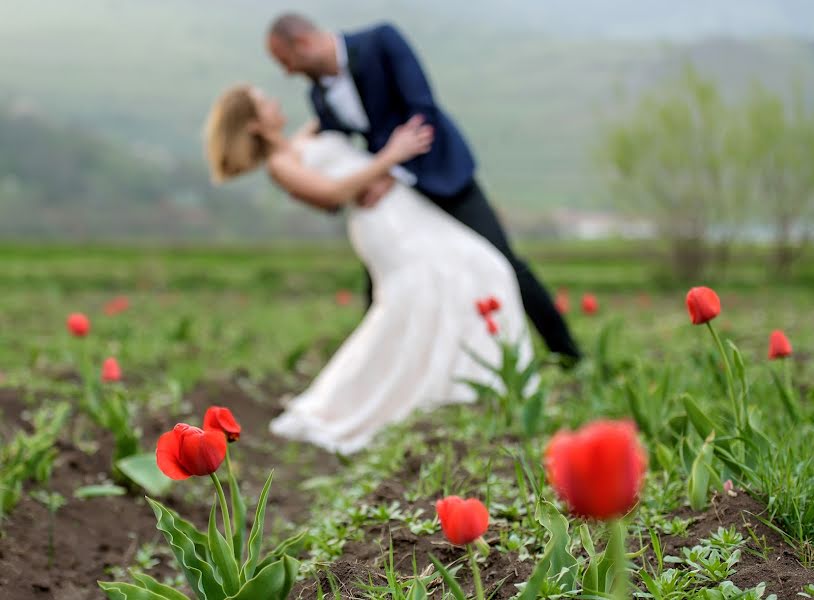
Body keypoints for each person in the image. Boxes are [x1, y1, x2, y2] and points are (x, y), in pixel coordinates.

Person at [204, 85, 534, 453]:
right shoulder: (281, 166)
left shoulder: (301, 140)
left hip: (405, 211)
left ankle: (478, 380)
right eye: (265, 102)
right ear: (253, 125)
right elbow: (330, 194)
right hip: (385, 226)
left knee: (484, 268)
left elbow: (345, 104)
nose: (275, 102)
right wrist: (390, 157)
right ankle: (424, 389)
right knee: (442, 284)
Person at [266, 13, 581, 363]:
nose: (288, 72)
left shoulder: (381, 41)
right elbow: (339, 151)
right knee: (383, 281)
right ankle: (381, 369)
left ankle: (568, 355)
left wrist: (391, 172)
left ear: (304, 43)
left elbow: (422, 108)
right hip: (394, 203)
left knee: (503, 262)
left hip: (443, 175)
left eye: (286, 61)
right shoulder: (319, 96)